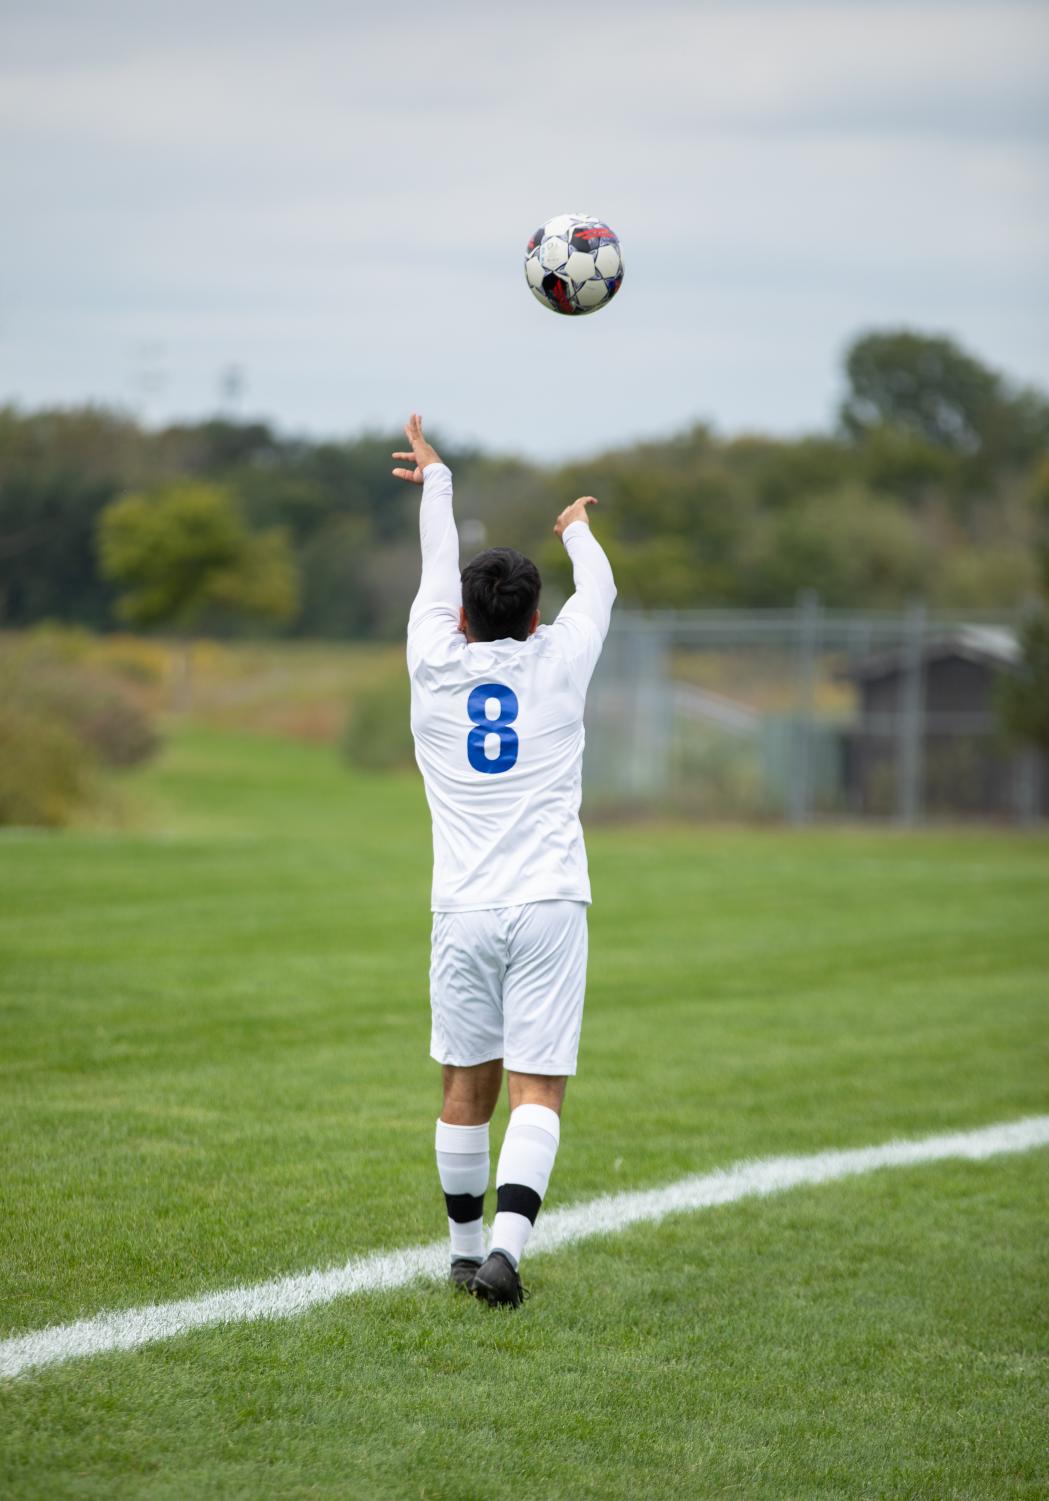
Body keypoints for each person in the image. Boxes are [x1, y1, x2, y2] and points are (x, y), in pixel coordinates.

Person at [393, 413, 616, 1308]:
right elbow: (596, 591)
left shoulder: (431, 662)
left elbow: (433, 566)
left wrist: (438, 479)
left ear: (461, 614)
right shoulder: (559, 659)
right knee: (537, 1086)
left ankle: (458, 1251)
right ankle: (505, 1255)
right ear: (533, 615)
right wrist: (577, 530)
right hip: (551, 901)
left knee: (463, 1082)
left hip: (463, 908)